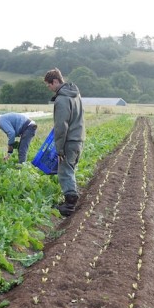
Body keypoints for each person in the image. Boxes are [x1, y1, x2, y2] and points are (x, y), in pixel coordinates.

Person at [44, 68, 85, 217]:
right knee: (70, 169)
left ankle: (69, 205)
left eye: (49, 85)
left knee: (64, 171)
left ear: (55, 81)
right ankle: (71, 199)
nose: (49, 88)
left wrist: (59, 149)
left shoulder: (62, 99)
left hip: (69, 140)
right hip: (79, 137)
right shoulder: (75, 94)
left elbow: (61, 125)